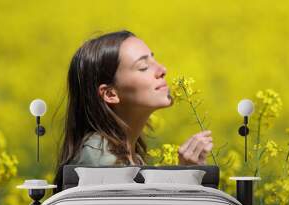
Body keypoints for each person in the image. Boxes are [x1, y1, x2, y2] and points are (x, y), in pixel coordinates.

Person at [53, 30, 213, 192]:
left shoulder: (127, 154)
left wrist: (185, 173)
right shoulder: (98, 159)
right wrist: (183, 181)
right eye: (143, 67)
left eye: (153, 58)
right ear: (110, 94)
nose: (162, 69)